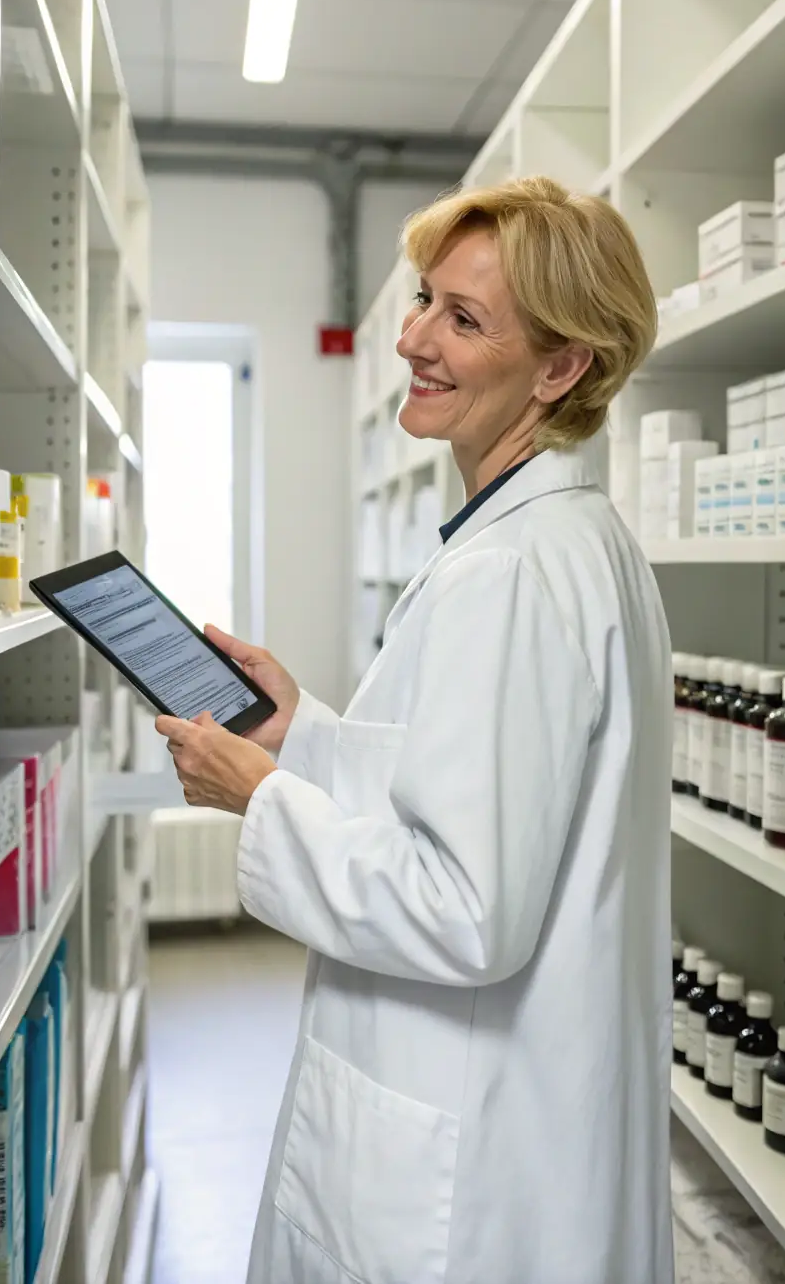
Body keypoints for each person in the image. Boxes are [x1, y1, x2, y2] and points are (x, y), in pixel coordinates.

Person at [156, 176, 674, 1284]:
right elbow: (468, 785)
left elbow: (465, 909)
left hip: (472, 1165)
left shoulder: (515, 573)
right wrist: (302, 735)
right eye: (426, 300)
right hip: (510, 1114)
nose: (411, 339)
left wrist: (260, 798)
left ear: (560, 368)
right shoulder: (561, 540)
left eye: (463, 319)